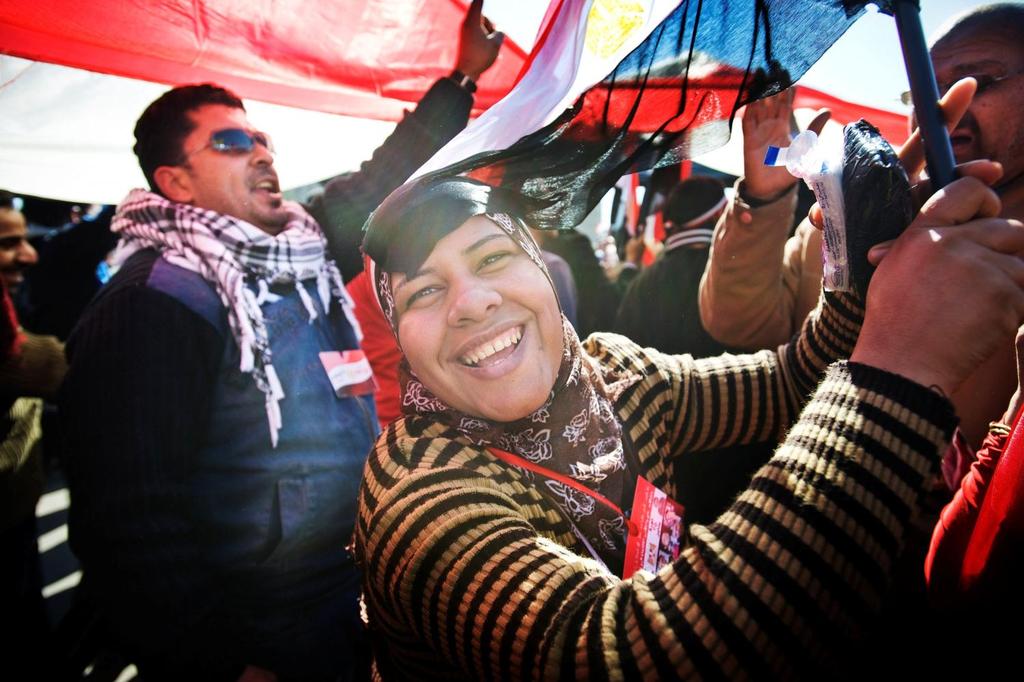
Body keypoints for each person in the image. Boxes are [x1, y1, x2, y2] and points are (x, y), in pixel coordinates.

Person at [352, 139, 1024, 679]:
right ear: (403, 340)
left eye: (492, 256)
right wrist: (900, 369)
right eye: (423, 294)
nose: (470, 302)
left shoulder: (612, 372)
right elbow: (611, 653)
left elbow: (787, 383)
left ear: (540, 267)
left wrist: (857, 256)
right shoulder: (416, 486)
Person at [58, 3, 503, 679]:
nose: (262, 152)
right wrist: (220, 664)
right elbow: (130, 522)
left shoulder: (300, 254)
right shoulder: (152, 306)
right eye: (231, 144)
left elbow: (383, 179)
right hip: (258, 640)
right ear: (175, 183)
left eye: (261, 139)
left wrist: (462, 79)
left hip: (348, 604)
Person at [699, 3, 1024, 451]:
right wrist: (765, 198)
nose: (937, 103)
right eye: (923, 88)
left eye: (979, 81)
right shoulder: (839, 226)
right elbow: (737, 325)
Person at [0, 204, 67, 679]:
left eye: (23, 239)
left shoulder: (13, 306)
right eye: (6, 243)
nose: (28, 255)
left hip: (16, 520)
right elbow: (31, 366)